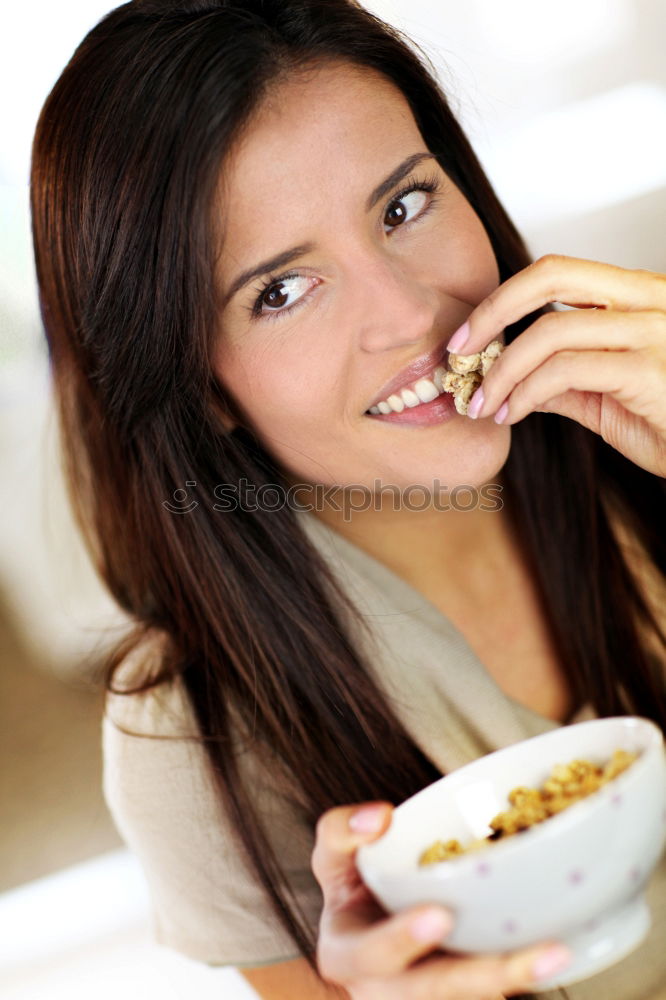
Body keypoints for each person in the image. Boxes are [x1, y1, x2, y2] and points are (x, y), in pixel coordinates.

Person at [29, 1, 666, 997]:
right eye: (281, 290)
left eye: (404, 206)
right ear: (198, 382)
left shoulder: (641, 419)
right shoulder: (191, 738)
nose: (410, 314)